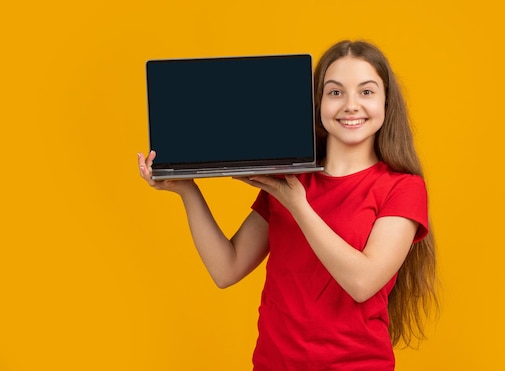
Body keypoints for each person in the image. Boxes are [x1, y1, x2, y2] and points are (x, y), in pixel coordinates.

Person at [138, 40, 437, 370]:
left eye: (366, 92)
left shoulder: (402, 188)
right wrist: (188, 191)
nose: (351, 105)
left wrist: (298, 205)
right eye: (335, 92)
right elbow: (226, 269)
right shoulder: (287, 184)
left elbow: (362, 283)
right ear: (317, 104)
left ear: (386, 102)